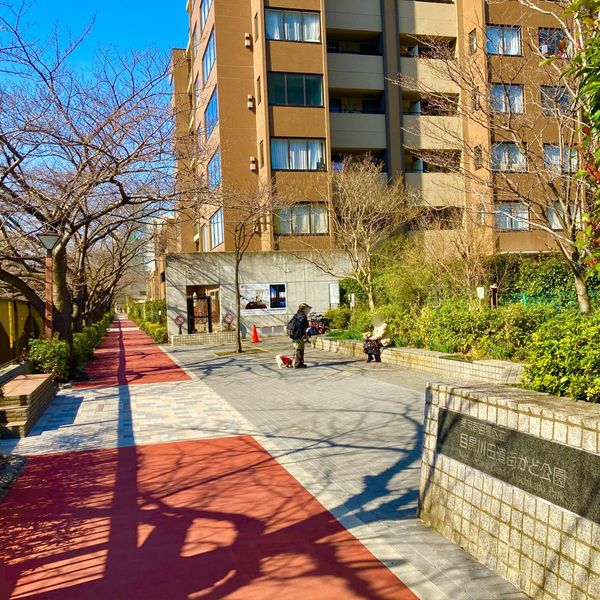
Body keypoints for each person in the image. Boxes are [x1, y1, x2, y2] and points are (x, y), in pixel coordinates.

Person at [288, 303, 311, 368]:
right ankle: (298, 364)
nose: (308, 310)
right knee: (300, 349)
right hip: (299, 335)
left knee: (299, 348)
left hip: (294, 334)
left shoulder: (296, 315)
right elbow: (305, 326)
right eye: (307, 309)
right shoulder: (303, 316)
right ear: (303, 309)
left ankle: (299, 363)